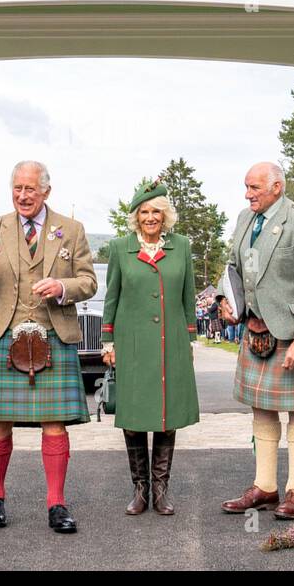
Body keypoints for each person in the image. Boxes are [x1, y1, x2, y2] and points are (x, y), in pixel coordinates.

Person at [0, 160, 97, 533]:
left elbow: (88, 282)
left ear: (46, 192)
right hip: (2, 333)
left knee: (54, 423)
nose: (23, 196)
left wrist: (62, 287)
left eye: (30, 190)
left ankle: (57, 504)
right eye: (17, 188)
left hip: (53, 333)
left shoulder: (70, 230)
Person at [220, 162, 294, 521]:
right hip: (255, 329)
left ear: (277, 187)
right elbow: (233, 268)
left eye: (254, 188)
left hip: (292, 332)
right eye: (246, 187)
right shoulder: (244, 219)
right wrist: (232, 306)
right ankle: (265, 486)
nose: (247, 194)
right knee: (261, 408)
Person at [101, 182, 200, 516]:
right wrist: (108, 340)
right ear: (136, 216)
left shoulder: (182, 246)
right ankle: (140, 489)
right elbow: (112, 296)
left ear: (165, 215)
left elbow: (189, 295)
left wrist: (190, 339)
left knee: (166, 415)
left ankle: (161, 491)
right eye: (144, 212)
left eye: (156, 211)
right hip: (133, 343)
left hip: (170, 341)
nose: (150, 217)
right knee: (133, 416)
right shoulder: (119, 247)